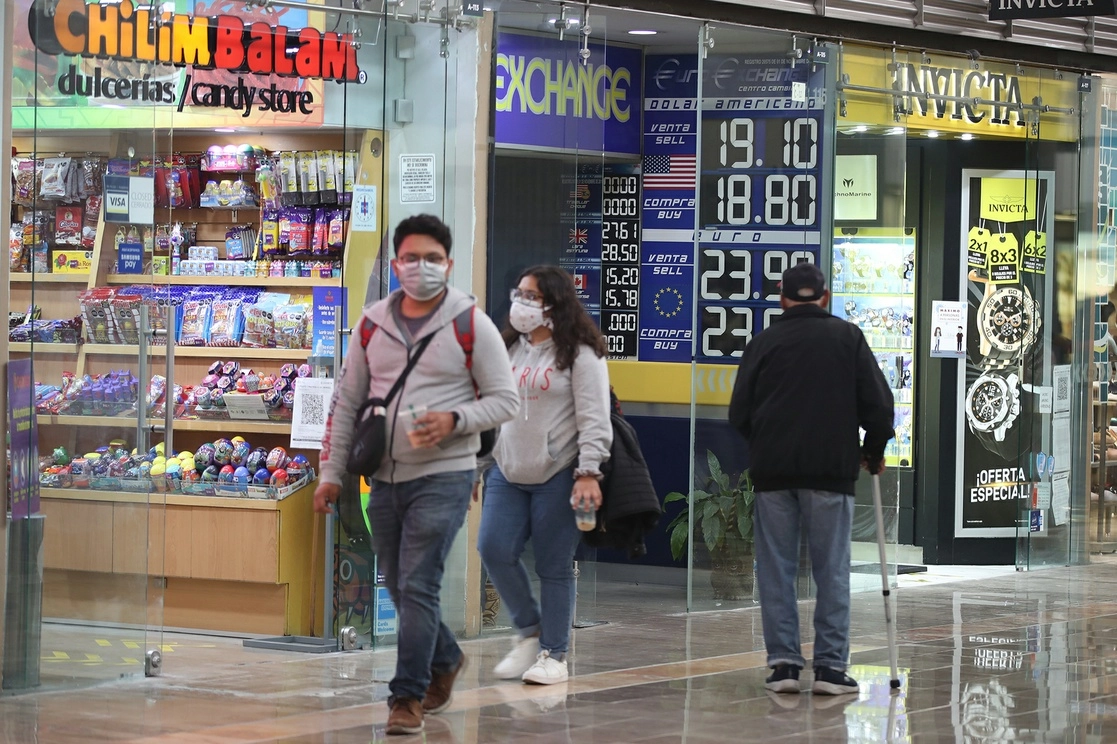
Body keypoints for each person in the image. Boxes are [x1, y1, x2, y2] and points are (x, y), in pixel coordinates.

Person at [315, 214, 519, 735]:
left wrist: (456, 420)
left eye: (432, 259)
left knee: (418, 580)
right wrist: (330, 473)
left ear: (448, 264)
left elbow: (504, 400)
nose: (420, 267)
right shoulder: (370, 324)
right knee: (403, 587)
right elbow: (346, 403)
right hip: (382, 475)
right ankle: (446, 657)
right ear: (396, 263)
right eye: (411, 258)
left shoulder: (472, 325)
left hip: (446, 474)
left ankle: (405, 698)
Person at [727, 262, 894, 696]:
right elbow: (878, 405)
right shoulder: (847, 338)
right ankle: (831, 670)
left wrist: (766, 444)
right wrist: (872, 452)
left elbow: (738, 413)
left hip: (773, 473)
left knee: (777, 570)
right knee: (831, 569)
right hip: (829, 472)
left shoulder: (763, 342)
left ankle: (783, 666)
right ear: (824, 298)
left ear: (782, 299)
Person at [477, 265, 612, 686]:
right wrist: (477, 466)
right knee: (493, 547)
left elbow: (595, 418)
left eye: (530, 296)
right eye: (518, 293)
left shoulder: (580, 354)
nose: (520, 302)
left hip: (559, 472)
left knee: (554, 565)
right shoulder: (507, 348)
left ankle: (554, 654)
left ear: (554, 303)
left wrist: (589, 471)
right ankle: (530, 631)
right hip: (507, 468)